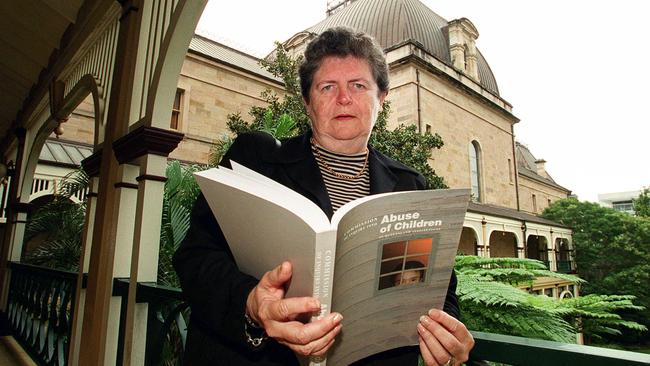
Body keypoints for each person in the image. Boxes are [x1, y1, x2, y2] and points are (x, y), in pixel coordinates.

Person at [173, 27, 474, 366]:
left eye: (358, 86)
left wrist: (447, 332)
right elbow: (195, 256)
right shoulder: (254, 160)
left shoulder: (411, 185)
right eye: (327, 86)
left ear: (381, 100)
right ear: (307, 101)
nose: (343, 98)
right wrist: (252, 304)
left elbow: (440, 287)